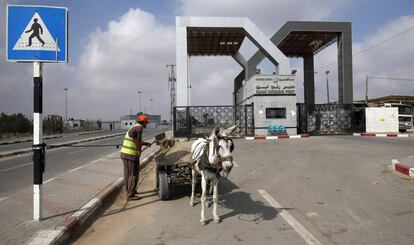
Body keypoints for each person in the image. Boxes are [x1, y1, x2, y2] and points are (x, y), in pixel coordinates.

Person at [120, 114, 153, 200]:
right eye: (146, 123)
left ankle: (130, 191)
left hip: (125, 154)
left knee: (128, 174)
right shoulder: (139, 129)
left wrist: (146, 143)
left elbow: (137, 140)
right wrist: (138, 150)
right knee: (133, 174)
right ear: (144, 122)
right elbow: (136, 140)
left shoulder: (134, 127)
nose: (147, 125)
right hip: (131, 155)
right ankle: (130, 195)